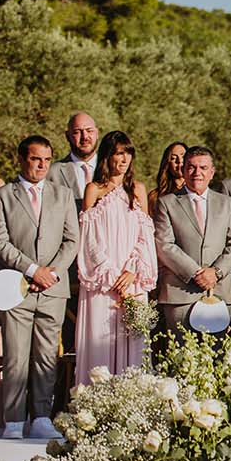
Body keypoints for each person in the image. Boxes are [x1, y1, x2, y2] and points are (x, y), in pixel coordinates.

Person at [0, 136, 78, 440]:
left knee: (45, 356)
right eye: (35, 159)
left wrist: (51, 272)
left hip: (52, 287)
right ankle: (13, 420)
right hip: (16, 286)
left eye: (47, 160)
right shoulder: (1, 196)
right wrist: (31, 270)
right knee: (16, 355)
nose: (41, 165)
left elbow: (71, 240)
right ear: (22, 159)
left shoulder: (63, 195)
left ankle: (41, 416)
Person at [76, 131, 158, 382]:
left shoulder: (138, 190)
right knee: (99, 341)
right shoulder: (94, 189)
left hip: (132, 280)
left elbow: (145, 235)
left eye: (128, 153)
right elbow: (88, 239)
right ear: (107, 156)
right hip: (102, 282)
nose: (123, 159)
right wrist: (111, 275)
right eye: (118, 153)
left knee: (132, 343)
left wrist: (132, 270)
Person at [153, 146, 231, 331]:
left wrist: (216, 272)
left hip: (220, 291)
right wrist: (196, 272)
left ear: (212, 172)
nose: (197, 173)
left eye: (203, 168)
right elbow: (164, 244)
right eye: (191, 167)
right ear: (184, 171)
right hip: (180, 294)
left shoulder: (226, 203)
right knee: (180, 356)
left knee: (217, 356)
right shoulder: (166, 203)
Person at [46, 112, 100, 209]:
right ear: (67, 136)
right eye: (77, 132)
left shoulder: (113, 169)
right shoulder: (52, 173)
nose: (84, 137)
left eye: (89, 131)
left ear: (97, 133)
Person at [147, 142, 188, 217]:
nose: (179, 161)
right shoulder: (155, 197)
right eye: (173, 158)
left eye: (183, 156)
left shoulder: (198, 193)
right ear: (167, 164)